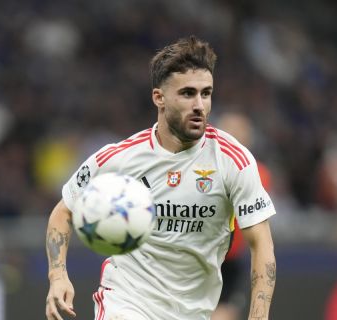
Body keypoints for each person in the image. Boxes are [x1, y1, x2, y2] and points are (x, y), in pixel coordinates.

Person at [45, 36, 276, 320]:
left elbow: (261, 243)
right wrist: (58, 277)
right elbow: (63, 211)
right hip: (127, 302)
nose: (200, 105)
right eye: (188, 93)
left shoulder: (233, 161)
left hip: (195, 311)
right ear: (159, 98)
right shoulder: (121, 158)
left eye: (206, 93)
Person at [212, 112, 273, 320]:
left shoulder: (257, 174)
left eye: (239, 134)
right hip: (196, 257)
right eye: (227, 133)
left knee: (223, 313)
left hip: (229, 262)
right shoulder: (198, 170)